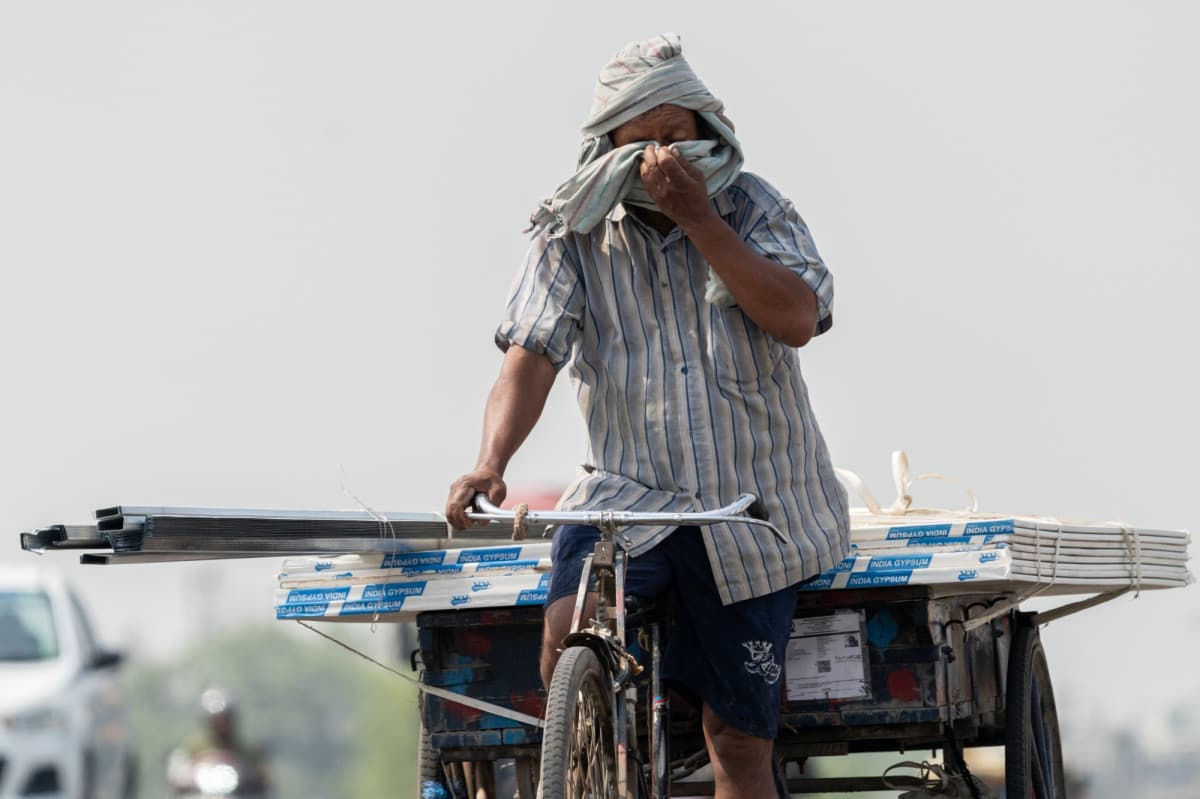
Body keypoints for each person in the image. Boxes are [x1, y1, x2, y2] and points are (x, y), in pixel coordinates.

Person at [445, 33, 849, 799]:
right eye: (642, 144)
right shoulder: (573, 231)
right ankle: (592, 739)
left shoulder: (756, 208)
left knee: (736, 738)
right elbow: (529, 356)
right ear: (608, 150)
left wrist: (701, 221)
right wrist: (489, 461)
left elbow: (797, 316)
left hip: (754, 510)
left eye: (677, 137)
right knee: (568, 632)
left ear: (707, 131)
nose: (662, 159)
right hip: (628, 495)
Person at [167, 687, 270, 795]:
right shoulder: (193, 747)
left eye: (225, 719)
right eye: (215, 720)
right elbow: (177, 775)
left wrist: (253, 778)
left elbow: (263, 777)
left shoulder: (246, 749)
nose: (220, 725)